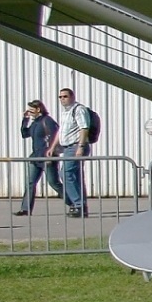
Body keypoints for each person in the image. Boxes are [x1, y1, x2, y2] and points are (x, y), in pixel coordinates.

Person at [15, 99, 60, 216]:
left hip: (47, 157)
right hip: (35, 158)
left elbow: (56, 136)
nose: (29, 113)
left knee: (53, 182)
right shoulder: (35, 123)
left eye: (31, 110)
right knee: (30, 182)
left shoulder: (47, 121)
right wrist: (25, 120)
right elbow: (25, 134)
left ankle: (74, 203)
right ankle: (25, 209)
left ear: (38, 109)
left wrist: (51, 152)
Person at [52, 87, 92, 218]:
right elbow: (61, 131)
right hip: (67, 147)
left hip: (76, 146)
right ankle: (81, 206)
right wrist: (53, 146)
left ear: (72, 97)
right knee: (75, 176)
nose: (62, 99)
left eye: (65, 96)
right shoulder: (65, 112)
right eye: (60, 97)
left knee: (66, 173)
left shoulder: (79, 109)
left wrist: (81, 146)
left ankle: (78, 204)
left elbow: (84, 128)